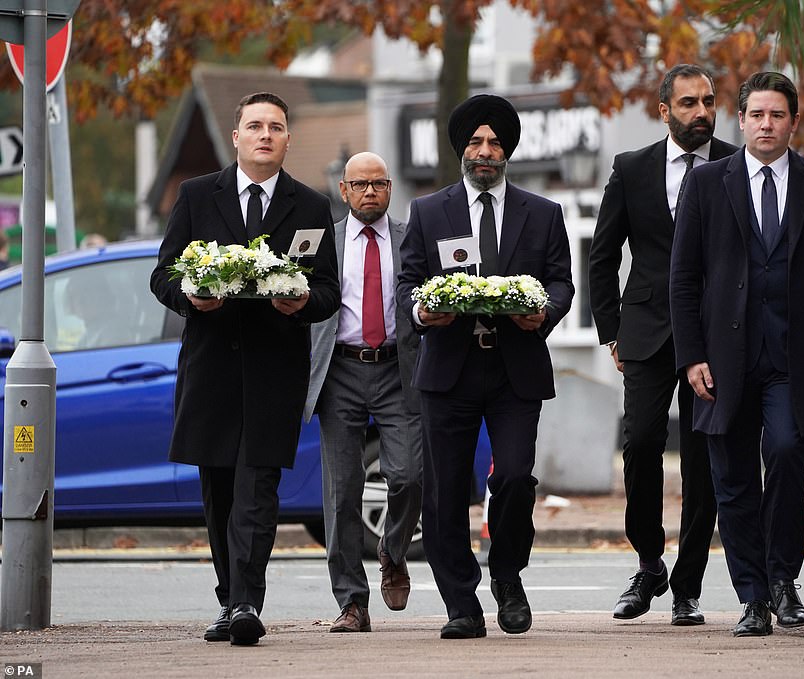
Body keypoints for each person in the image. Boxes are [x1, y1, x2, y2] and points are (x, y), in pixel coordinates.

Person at [669, 71, 804, 637]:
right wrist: (691, 357)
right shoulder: (708, 183)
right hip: (723, 358)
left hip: (795, 355)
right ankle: (753, 597)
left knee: (786, 454)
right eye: (757, 114)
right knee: (732, 477)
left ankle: (785, 583)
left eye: (777, 115)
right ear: (742, 120)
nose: (766, 124)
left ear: (794, 121)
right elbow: (683, 278)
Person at [150, 91, 340, 646]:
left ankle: (245, 604)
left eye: (275, 127)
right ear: (235, 137)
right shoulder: (195, 195)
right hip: (210, 371)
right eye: (254, 126)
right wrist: (192, 296)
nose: (265, 135)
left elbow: (328, 290)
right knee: (220, 495)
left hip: (273, 372)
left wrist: (301, 299)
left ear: (286, 140)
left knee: (258, 492)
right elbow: (162, 275)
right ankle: (228, 597)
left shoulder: (310, 206)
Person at [396, 93, 574, 639]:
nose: (485, 151)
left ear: (508, 152)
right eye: (475, 142)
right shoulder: (428, 212)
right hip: (448, 369)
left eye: (495, 143)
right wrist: (423, 311)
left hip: (514, 369)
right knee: (446, 488)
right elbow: (407, 284)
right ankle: (460, 603)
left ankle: (508, 577)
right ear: (460, 150)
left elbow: (563, 282)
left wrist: (542, 313)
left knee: (515, 478)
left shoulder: (543, 214)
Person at [588, 64, 737, 626]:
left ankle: (687, 586)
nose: (701, 112)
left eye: (708, 101)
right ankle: (649, 562)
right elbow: (602, 257)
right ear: (664, 111)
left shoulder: (732, 164)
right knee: (642, 444)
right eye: (689, 103)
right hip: (646, 331)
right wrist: (610, 331)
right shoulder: (631, 169)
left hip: (716, 335)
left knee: (704, 461)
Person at [302, 152, 422, 633]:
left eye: (379, 184)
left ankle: (393, 552)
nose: (370, 191)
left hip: (398, 369)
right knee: (342, 491)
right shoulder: (322, 243)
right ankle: (352, 602)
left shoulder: (412, 239)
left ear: (390, 189)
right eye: (360, 184)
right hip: (341, 372)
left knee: (409, 474)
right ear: (344, 191)